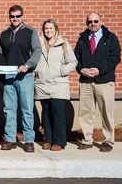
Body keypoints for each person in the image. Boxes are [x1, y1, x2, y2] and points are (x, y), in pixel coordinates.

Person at [74, 13, 121, 152]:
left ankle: (108, 140)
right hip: (86, 82)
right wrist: (81, 69)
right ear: (86, 23)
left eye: (95, 21)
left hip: (104, 81)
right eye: (90, 21)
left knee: (106, 112)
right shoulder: (82, 39)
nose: (92, 23)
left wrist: (99, 70)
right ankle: (87, 139)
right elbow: (75, 59)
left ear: (101, 22)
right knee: (85, 112)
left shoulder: (110, 37)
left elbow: (115, 57)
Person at [0, 5, 42, 153]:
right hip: (8, 77)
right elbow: (0, 55)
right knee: (9, 110)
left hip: (25, 76)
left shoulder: (30, 32)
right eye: (12, 16)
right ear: (9, 17)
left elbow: (37, 51)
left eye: (18, 16)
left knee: (27, 109)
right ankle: (10, 139)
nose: (15, 19)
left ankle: (29, 140)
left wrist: (27, 65)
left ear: (22, 16)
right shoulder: (4, 34)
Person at [34, 19, 77, 151]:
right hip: (42, 84)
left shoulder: (63, 44)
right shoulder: (38, 45)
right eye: (46, 29)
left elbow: (72, 61)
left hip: (58, 84)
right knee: (46, 113)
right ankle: (48, 139)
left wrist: (62, 71)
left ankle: (59, 141)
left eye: (51, 28)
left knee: (57, 112)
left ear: (56, 30)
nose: (48, 31)